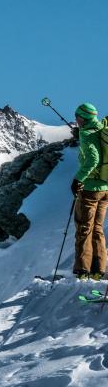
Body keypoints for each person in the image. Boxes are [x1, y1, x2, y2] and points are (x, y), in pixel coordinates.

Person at [71, 103, 108, 281]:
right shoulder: (102, 129)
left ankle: (83, 272)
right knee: (98, 229)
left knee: (84, 228)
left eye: (77, 116)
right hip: (105, 188)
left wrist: (78, 179)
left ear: (82, 118)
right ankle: (98, 271)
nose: (75, 120)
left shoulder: (86, 133)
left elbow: (94, 158)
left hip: (90, 190)